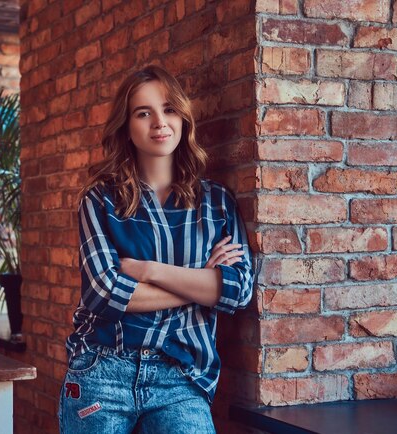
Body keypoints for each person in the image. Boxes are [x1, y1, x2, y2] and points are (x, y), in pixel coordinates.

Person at [58, 65, 254, 433]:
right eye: (143, 112)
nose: (159, 122)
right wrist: (203, 285)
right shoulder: (99, 200)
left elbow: (238, 291)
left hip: (181, 375)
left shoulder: (217, 203)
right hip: (103, 371)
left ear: (183, 117)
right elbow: (105, 294)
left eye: (168, 109)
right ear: (126, 127)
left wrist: (150, 272)